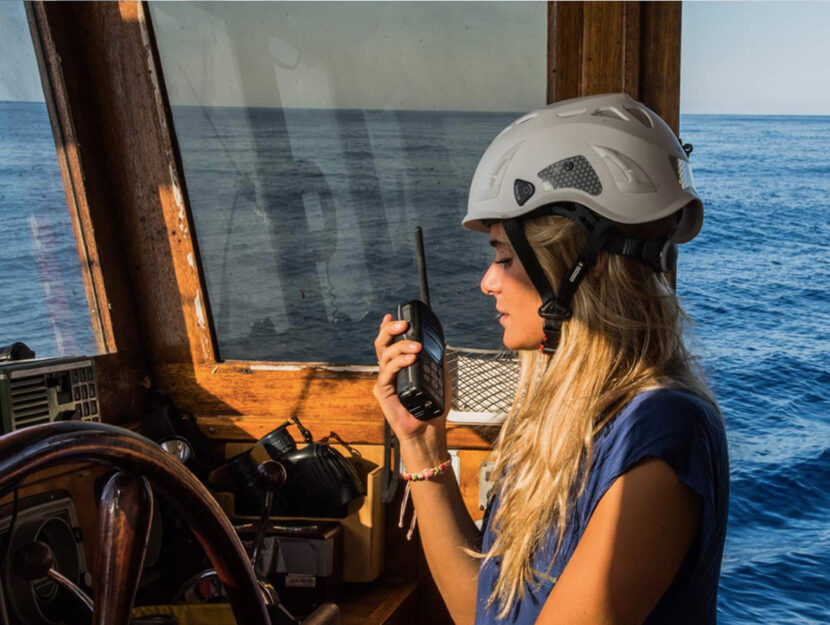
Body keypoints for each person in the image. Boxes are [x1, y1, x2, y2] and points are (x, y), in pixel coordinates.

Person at [373, 93, 729, 625]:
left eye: (505, 257)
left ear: (587, 268)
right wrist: (422, 445)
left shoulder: (660, 436)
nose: (487, 282)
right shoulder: (563, 412)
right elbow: (484, 612)